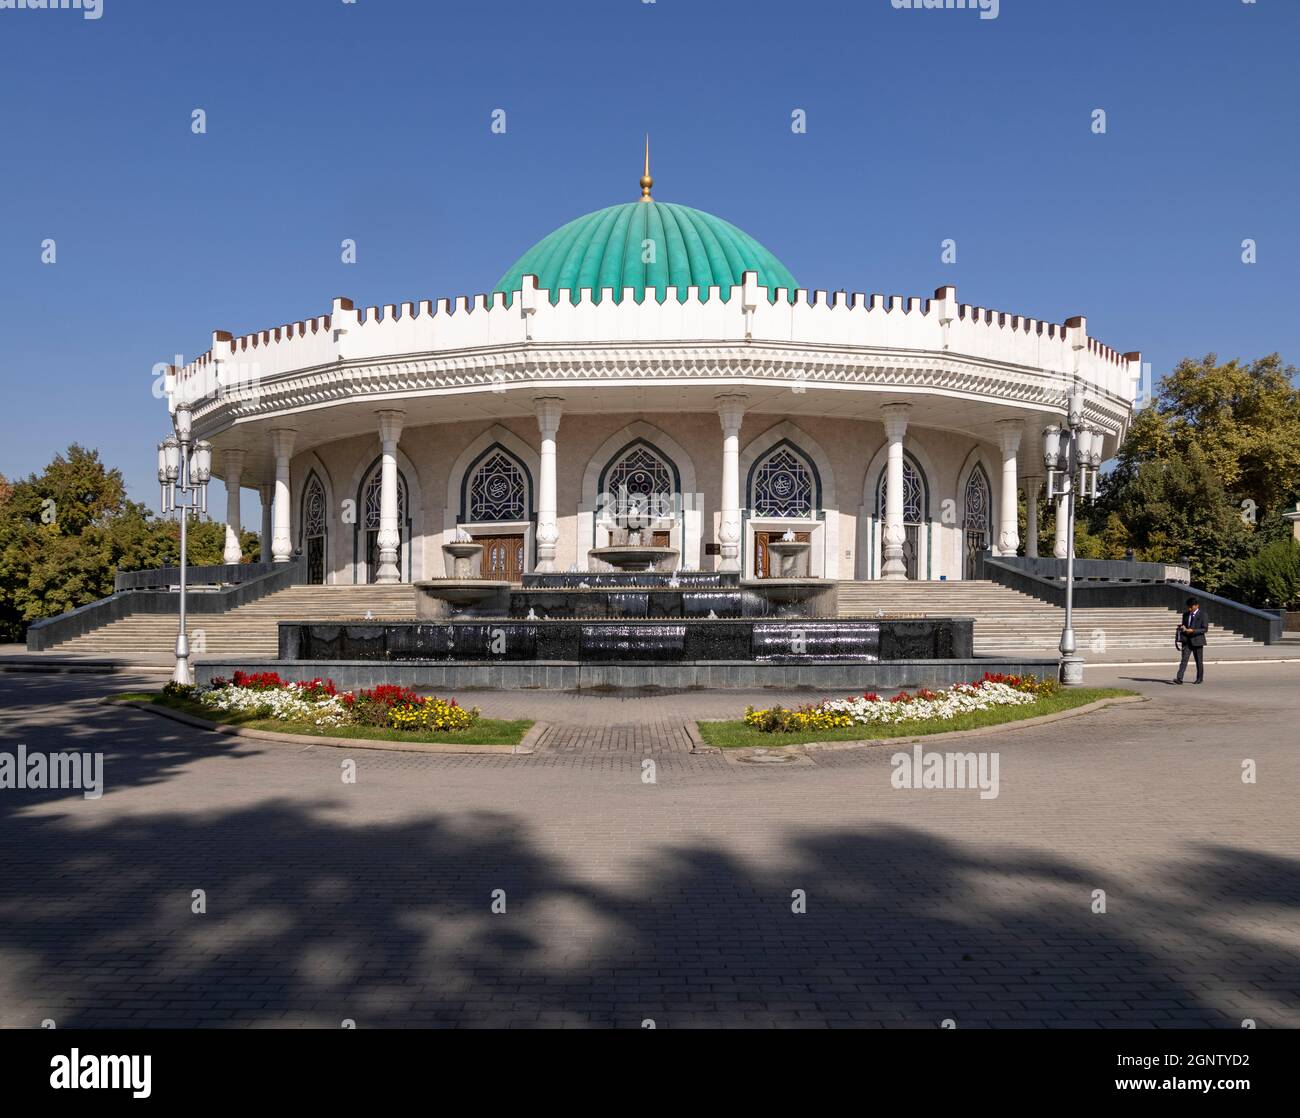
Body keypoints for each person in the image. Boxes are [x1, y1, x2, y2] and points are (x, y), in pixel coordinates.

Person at [1174, 597, 1208, 685]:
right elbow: (1184, 625)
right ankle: (1179, 678)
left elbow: (1204, 629)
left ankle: (1199, 678)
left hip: (1198, 641)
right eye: (1188, 607)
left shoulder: (1203, 615)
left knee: (1198, 661)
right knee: (1184, 660)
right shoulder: (1185, 615)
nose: (1189, 608)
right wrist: (1182, 627)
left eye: (1191, 607)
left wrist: (1193, 631)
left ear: (1197, 606)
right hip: (1187, 641)